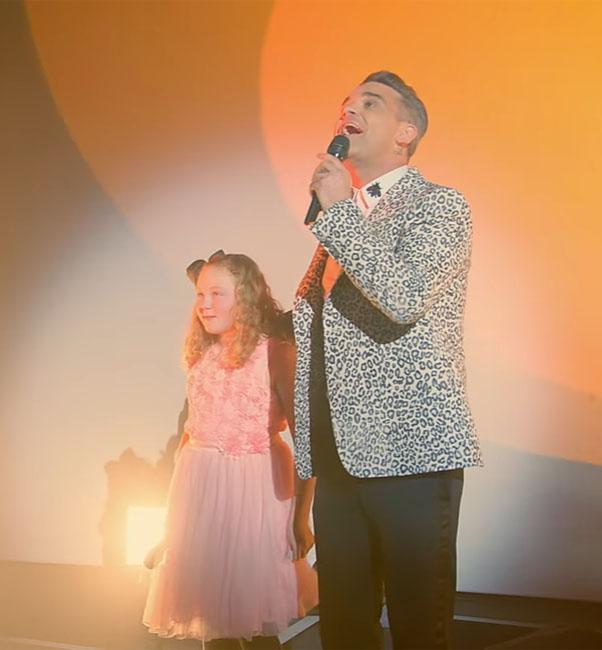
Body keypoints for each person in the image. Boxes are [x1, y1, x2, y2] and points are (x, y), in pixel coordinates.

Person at [292, 71, 483, 649]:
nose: (349, 110)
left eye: (369, 104)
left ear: (406, 133)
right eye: (345, 103)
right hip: (339, 458)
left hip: (411, 454)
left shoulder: (439, 205)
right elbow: (321, 329)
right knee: (345, 627)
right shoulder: (345, 221)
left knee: (418, 624)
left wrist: (336, 214)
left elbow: (402, 297)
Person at [143, 251, 317, 649]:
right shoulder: (201, 354)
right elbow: (190, 434)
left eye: (217, 293)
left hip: (254, 493)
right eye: (200, 294)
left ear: (246, 296)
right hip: (200, 491)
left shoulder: (276, 353)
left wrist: (301, 519)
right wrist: (172, 524)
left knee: (252, 613)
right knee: (211, 612)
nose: (205, 304)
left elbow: (307, 441)